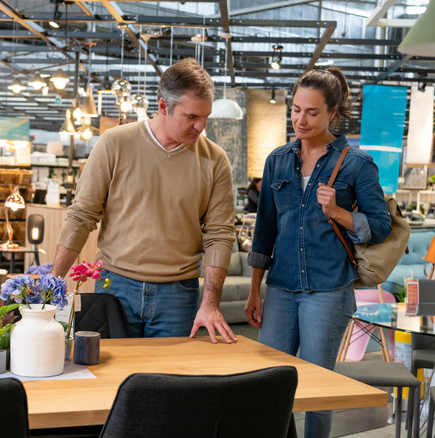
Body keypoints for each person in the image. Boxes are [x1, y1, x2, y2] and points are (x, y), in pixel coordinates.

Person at [244, 67, 392, 437]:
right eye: (295, 109)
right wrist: (254, 290)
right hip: (280, 287)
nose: (300, 119)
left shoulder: (357, 163)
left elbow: (381, 226)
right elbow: (265, 231)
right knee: (267, 382)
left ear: (333, 113)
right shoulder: (278, 160)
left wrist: (339, 212)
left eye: (311, 112)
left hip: (328, 290)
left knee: (316, 387)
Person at [51, 58, 238, 344]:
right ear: (164, 106)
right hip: (114, 286)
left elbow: (219, 235)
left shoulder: (215, 160)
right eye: (191, 117)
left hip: (178, 294)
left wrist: (210, 303)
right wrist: (54, 283)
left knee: (168, 382)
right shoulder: (114, 143)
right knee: (107, 377)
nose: (201, 126)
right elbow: (82, 216)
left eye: (206, 116)